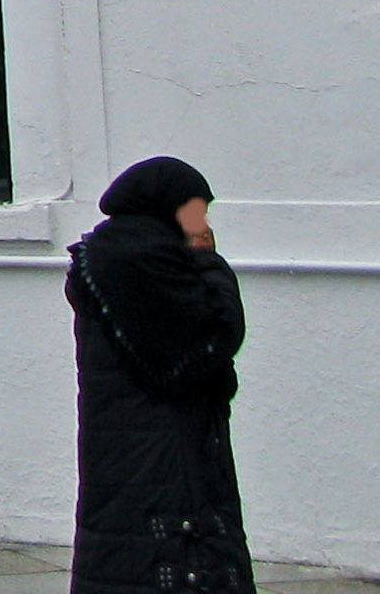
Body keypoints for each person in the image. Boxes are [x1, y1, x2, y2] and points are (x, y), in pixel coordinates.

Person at [66, 156, 252, 594]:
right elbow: (217, 333)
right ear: (167, 207)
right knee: (169, 560)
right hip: (162, 448)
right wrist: (208, 261)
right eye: (194, 210)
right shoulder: (144, 261)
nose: (201, 222)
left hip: (131, 445)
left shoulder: (110, 254)